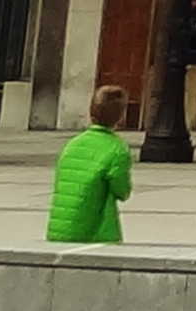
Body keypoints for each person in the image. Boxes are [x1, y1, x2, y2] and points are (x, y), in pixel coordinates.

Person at [47, 85, 135, 245]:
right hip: (94, 231)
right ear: (121, 117)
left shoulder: (72, 144)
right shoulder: (116, 149)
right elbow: (122, 191)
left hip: (59, 228)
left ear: (91, 112)